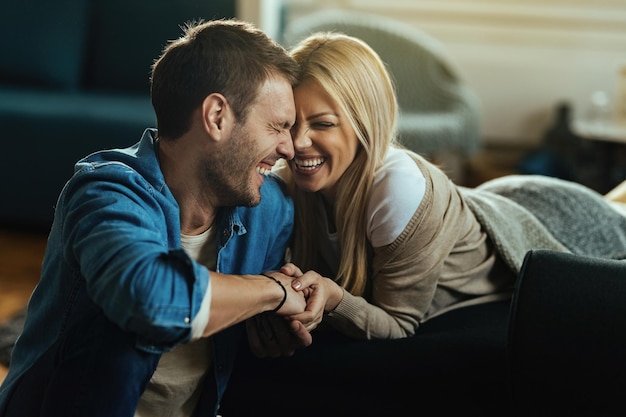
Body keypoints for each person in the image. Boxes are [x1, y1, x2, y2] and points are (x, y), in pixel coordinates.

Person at [219, 32, 626, 416]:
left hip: (552, 212)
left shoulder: (396, 190)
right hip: (491, 194)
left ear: (365, 124)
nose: (297, 143)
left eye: (323, 124)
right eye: (291, 124)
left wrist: (335, 299)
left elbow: (397, 324)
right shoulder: (287, 182)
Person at [0, 19, 312, 417]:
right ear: (217, 116)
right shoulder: (106, 191)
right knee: (126, 323)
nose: (289, 146)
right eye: (278, 127)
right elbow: (149, 298)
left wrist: (292, 311)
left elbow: (262, 334)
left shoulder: (270, 208)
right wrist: (271, 290)